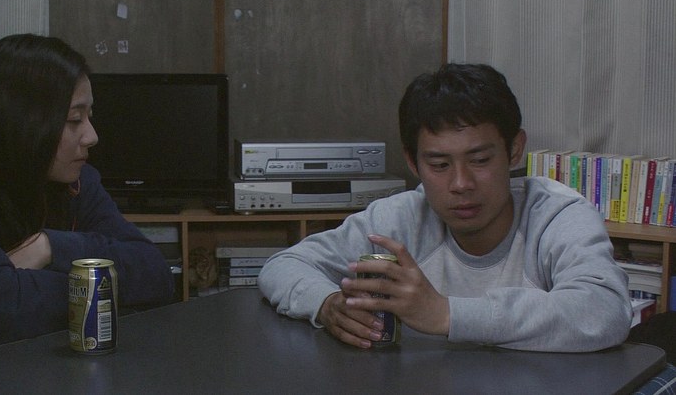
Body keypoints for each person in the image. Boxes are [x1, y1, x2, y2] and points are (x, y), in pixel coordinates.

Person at [258, 63, 632, 352]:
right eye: (439, 165)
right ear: (413, 162)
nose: (461, 183)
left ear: (515, 150)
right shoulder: (399, 218)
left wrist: (446, 313)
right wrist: (326, 305)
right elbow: (283, 265)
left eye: (480, 160)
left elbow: (604, 311)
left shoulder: (558, 216)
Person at [0, 33, 174, 342]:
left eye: (89, 117)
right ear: (19, 121)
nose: (92, 136)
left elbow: (156, 275)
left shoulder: (78, 183)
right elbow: (9, 309)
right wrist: (101, 286)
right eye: (74, 119)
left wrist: (50, 247)